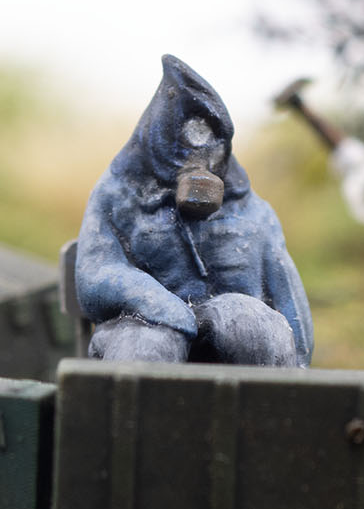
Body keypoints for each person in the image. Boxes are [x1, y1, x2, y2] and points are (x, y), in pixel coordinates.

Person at [71, 55, 312, 366]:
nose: (202, 156)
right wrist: (157, 303)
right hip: (143, 324)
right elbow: (95, 273)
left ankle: (265, 409)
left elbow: (285, 287)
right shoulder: (116, 195)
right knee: (146, 344)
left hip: (231, 325)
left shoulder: (253, 211)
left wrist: (301, 368)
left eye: (213, 143)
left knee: (253, 326)